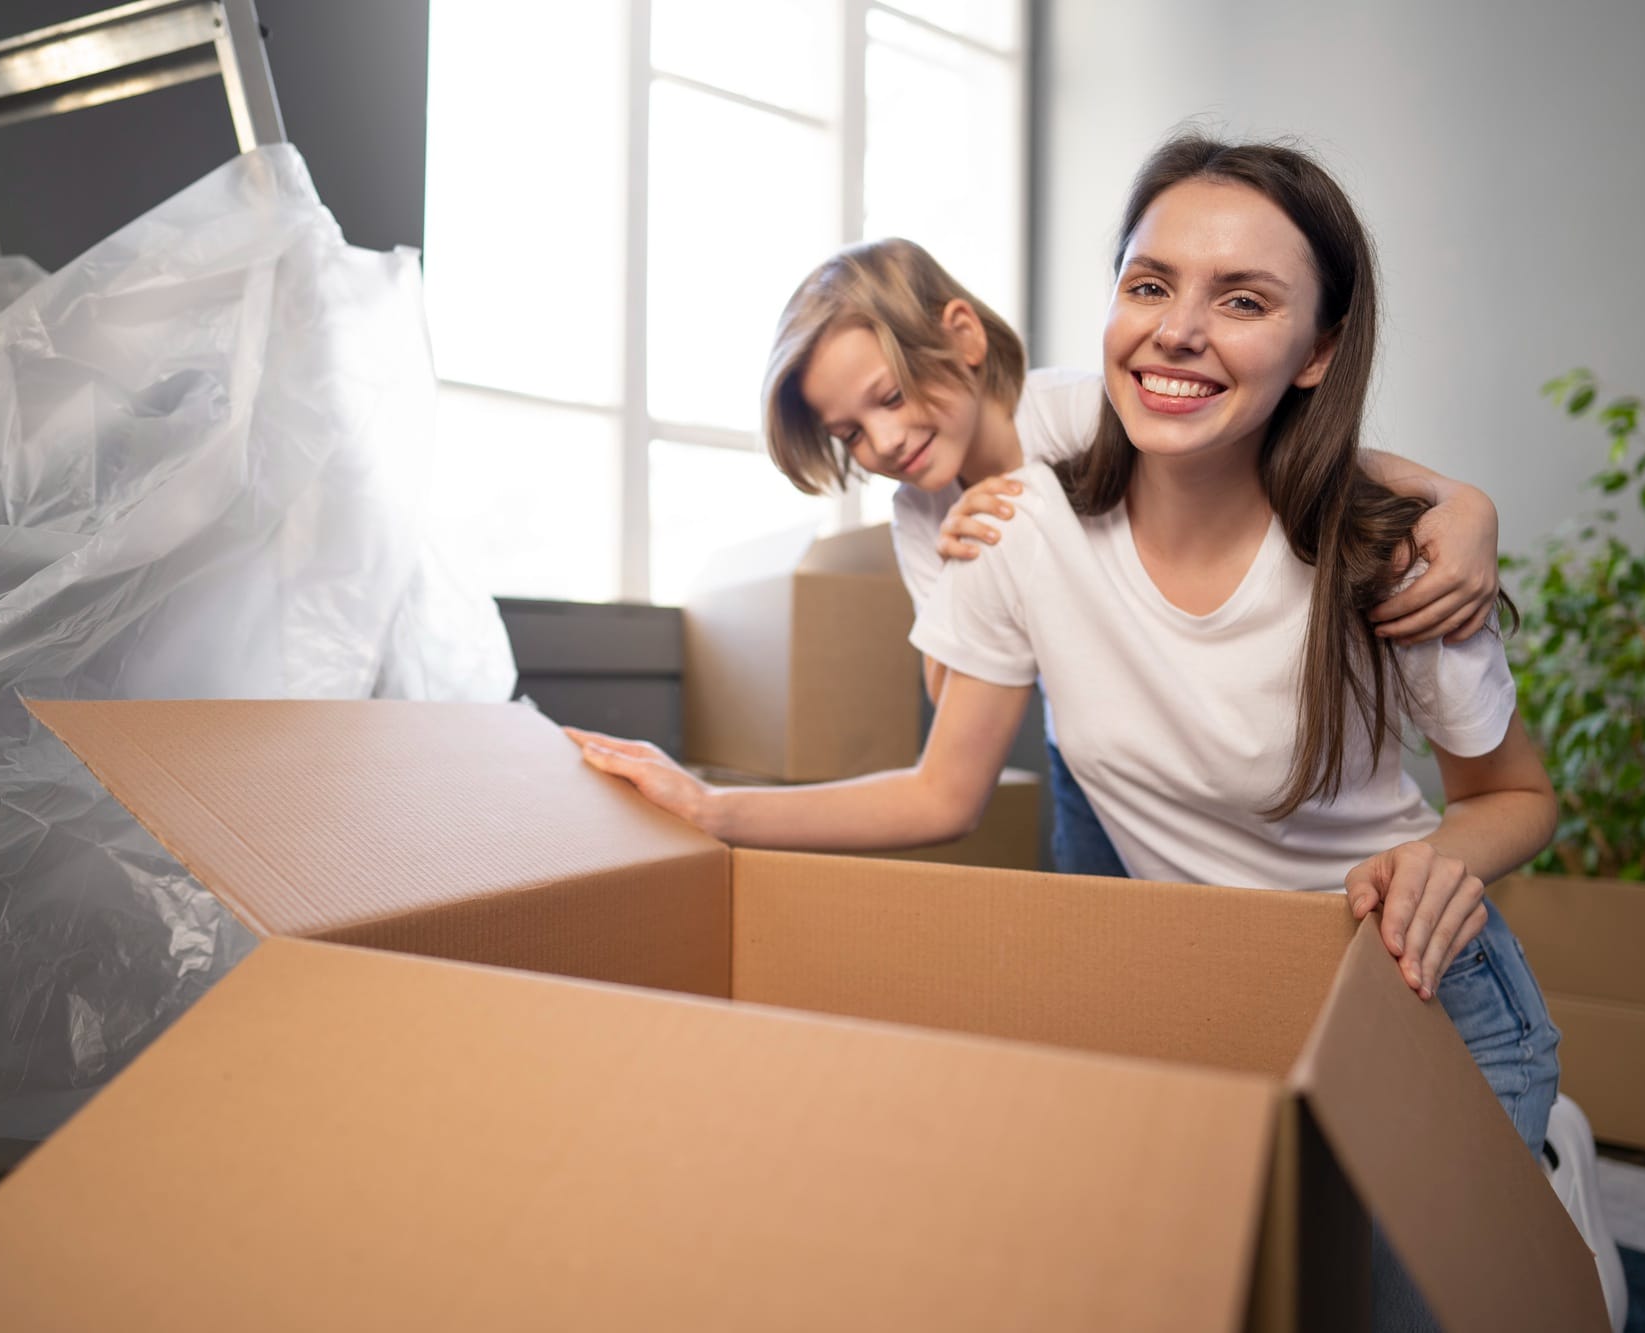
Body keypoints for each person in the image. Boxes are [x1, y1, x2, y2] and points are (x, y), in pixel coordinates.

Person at [570, 133, 1561, 1166]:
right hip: (1184, 894)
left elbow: (1325, 473)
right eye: (1148, 285)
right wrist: (714, 804)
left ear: (1316, 348)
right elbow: (944, 768)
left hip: (1415, 987)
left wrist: (1462, 502)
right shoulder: (977, 525)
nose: (1177, 334)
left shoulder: (1355, 542)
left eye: (1241, 300)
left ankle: (1541, 1187)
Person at [754, 235, 1505, 880]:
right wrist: (963, 572)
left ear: (963, 337)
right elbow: (952, 698)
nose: (881, 444)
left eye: (887, 398)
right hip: (1088, 751)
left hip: (1188, 717)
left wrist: (1461, 502)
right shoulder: (919, 516)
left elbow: (1301, 460)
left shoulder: (1084, 411)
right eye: (849, 432)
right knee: (1105, 934)